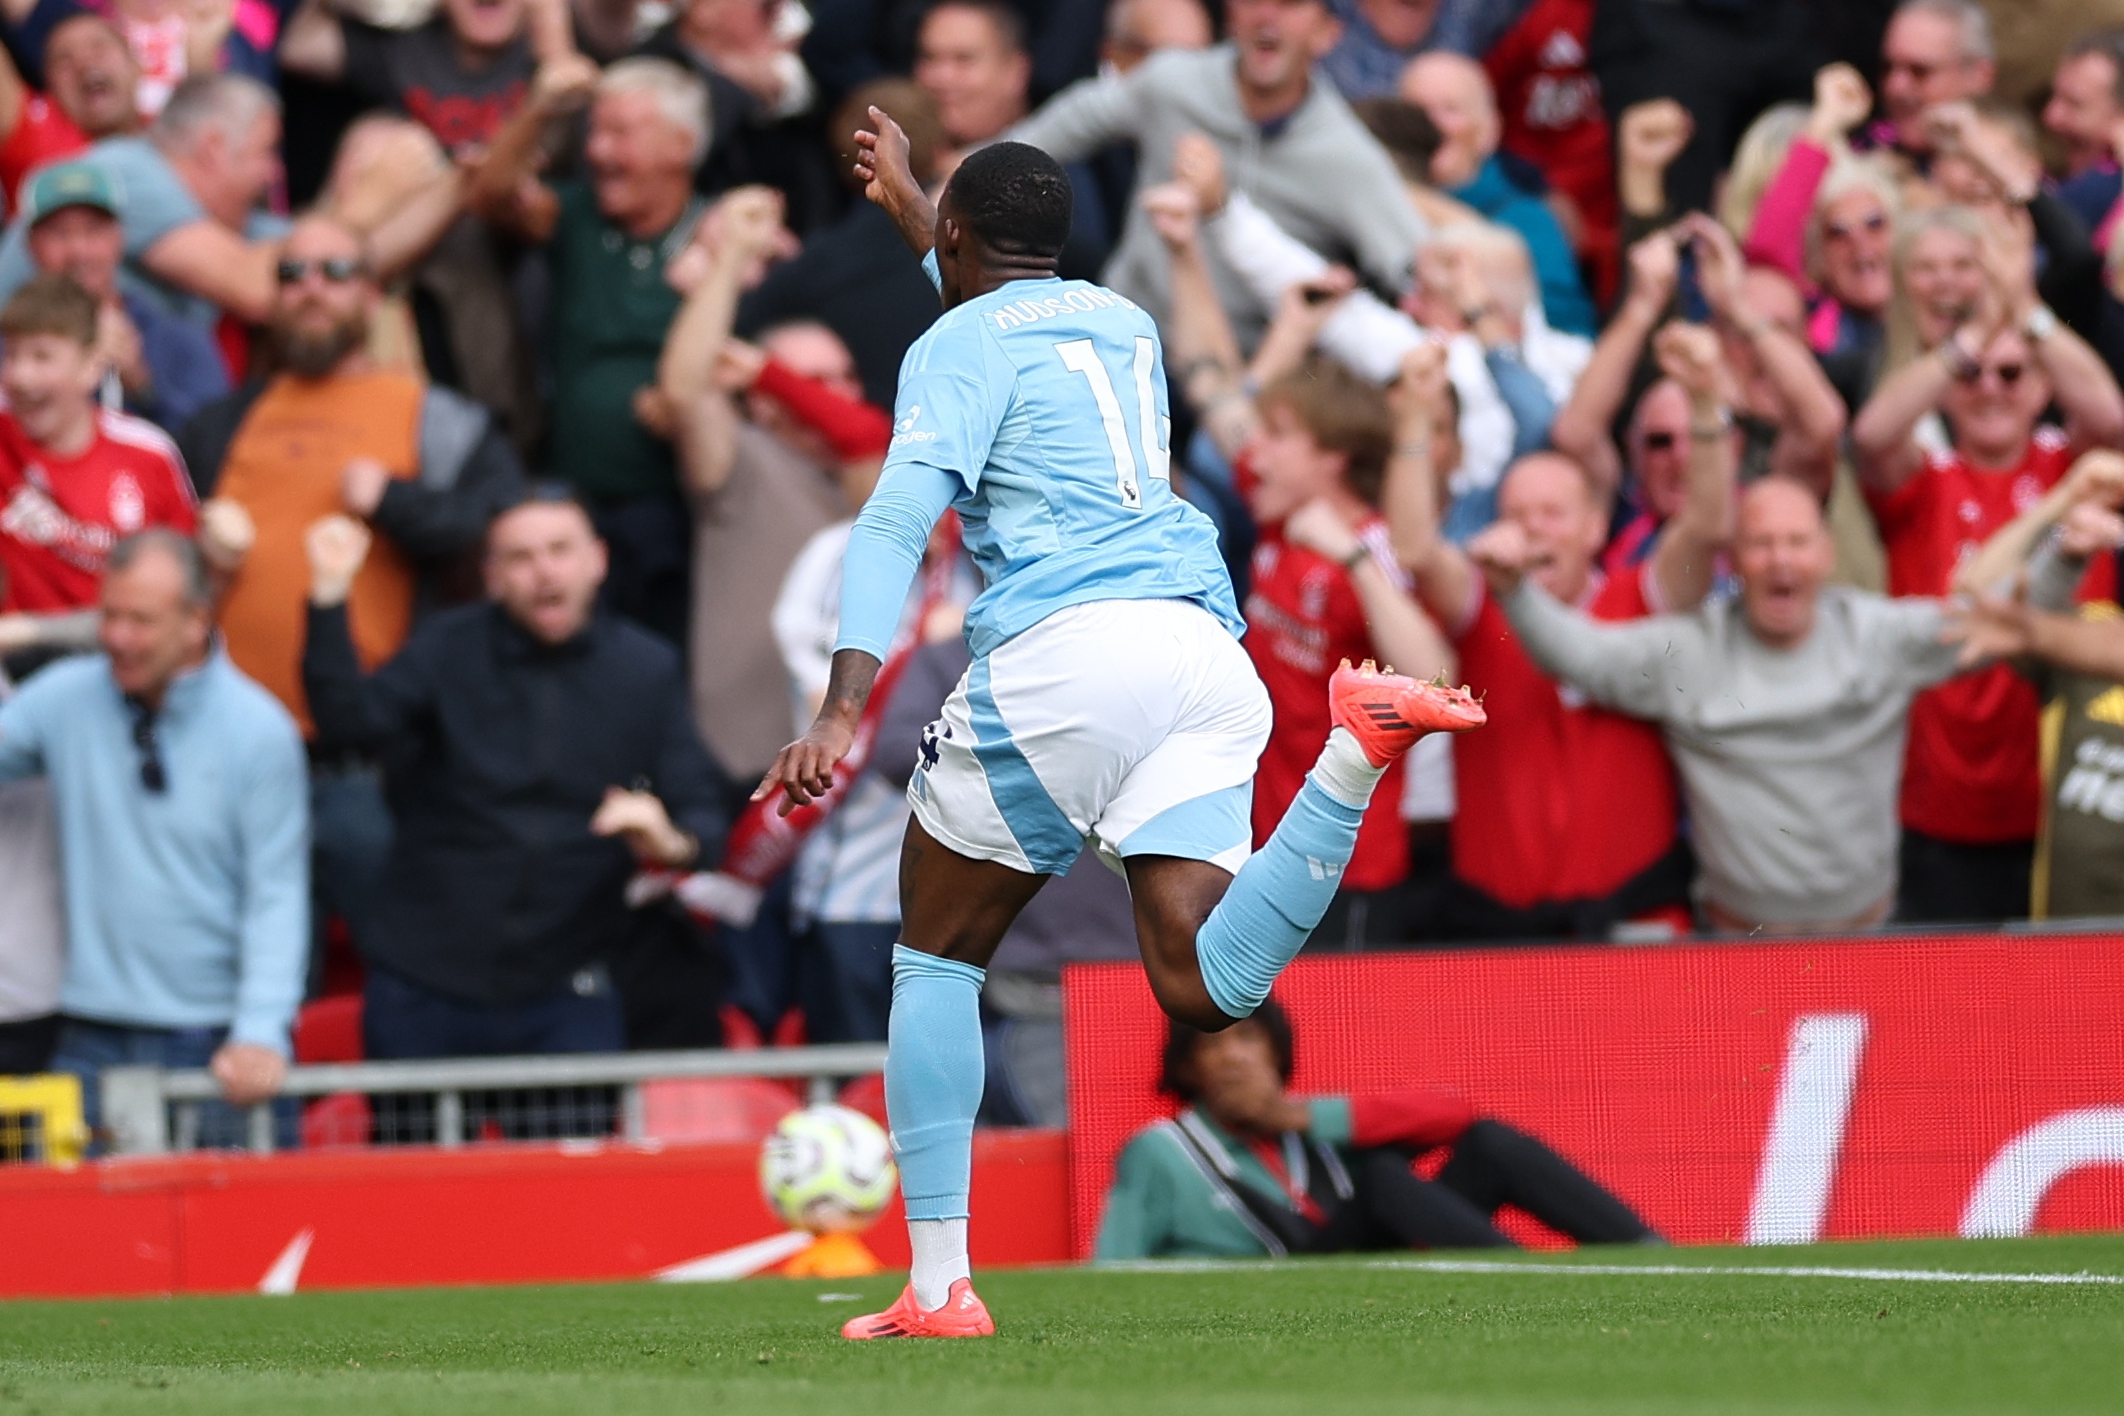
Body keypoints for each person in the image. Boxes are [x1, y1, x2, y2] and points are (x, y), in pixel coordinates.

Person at [756, 115, 1483, 1340]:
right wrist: (921, 209)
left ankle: (939, 1285)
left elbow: (891, 524)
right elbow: (994, 296)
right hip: (1203, 648)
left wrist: (841, 704)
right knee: (1203, 984)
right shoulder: (1121, 321)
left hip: (1067, 654)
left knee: (935, 953)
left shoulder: (947, 344)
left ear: (957, 240)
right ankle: (1353, 756)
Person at [179, 213, 525, 986]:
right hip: (235, 760)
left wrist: (396, 501)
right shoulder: (218, 426)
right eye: (290, 274)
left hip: (377, 767)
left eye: (335, 273)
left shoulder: (432, 416)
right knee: (244, 988)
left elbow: (506, 534)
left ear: (374, 295)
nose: (310, 291)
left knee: (408, 978)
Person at [301, 489, 731, 1064]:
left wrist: (667, 839)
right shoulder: (446, 647)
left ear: (597, 560)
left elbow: (703, 813)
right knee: (417, 1155)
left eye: (560, 550)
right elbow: (349, 725)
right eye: (521, 558)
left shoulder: (645, 668)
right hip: (426, 975)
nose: (544, 572)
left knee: (573, 1155)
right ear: (493, 576)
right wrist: (329, 597)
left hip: (570, 979)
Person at [1480, 476, 1985, 932]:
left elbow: (1986, 622)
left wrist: (2063, 555)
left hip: (1869, 934)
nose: (1780, 559)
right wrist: (1515, 592)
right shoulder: (1694, 650)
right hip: (1735, 946)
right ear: (1734, 560)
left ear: (1826, 554)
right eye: (1761, 544)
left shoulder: (1878, 634)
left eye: (1797, 542)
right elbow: (1584, 658)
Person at [1384, 326, 1735, 941]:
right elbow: (1413, 545)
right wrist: (1414, 422)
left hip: (1637, 923)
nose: (1536, 531)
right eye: (1518, 516)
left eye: (1553, 514)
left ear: (1596, 528)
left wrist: (1705, 404)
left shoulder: (1642, 597)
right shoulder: (1481, 605)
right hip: (1499, 933)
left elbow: (1706, 522)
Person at [0, 530, 307, 1143]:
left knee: (242, 1239)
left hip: (217, 1044)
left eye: (140, 621)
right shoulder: (66, 698)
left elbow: (276, 894)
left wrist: (259, 1031)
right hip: (91, 1035)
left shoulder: (259, 730)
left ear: (196, 622)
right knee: (74, 1239)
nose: (116, 637)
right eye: (109, 615)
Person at [1852, 258, 2124, 923]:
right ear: (1946, 388)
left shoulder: (2073, 466)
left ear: (2041, 390)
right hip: (1942, 800)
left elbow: (2109, 411)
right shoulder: (1926, 480)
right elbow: (1871, 434)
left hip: (2060, 790)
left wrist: (2027, 314)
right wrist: (1967, 339)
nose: (1991, 388)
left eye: (2012, 373)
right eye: (1972, 375)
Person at [1096, 996, 1660, 1258]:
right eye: (1212, 1046)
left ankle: (1651, 1253)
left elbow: (1456, 1117)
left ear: (1276, 1051)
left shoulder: (1319, 1126)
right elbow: (1113, 1268)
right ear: (1188, 1067)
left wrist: (1294, 1116)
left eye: (1248, 1037)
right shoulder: (1159, 1151)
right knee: (1384, 1180)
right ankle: (1526, 1282)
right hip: (1281, 1286)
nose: (1234, 1059)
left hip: (1362, 1258)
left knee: (1490, 1144)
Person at [469, 56, 716, 645]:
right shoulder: (579, 217)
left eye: (620, 134)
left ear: (680, 146)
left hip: (671, 516)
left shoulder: (719, 231)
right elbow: (491, 191)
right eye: (595, 134)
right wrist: (543, 108)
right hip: (574, 507)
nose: (599, 153)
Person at [1007, 0, 1427, 346]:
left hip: (1238, 376)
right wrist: (971, 168)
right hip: (1120, 331)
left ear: (1327, 33)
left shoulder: (1346, 155)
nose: (1267, 17)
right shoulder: (1174, 80)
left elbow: (1417, 269)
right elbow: (1075, 119)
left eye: (1291, 4)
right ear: (1231, 14)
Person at [0, 272, 196, 665]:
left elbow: (184, 593)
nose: (20, 376)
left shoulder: (148, 454)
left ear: (92, 367)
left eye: (42, 356)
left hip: (119, 670)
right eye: (12, 355)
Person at [734, 78, 943, 409]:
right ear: (939, 150)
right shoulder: (983, 244)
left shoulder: (818, 265)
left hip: (876, 444)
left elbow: (734, 331)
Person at [17, 160, 227, 433]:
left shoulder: (180, 339)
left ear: (119, 237)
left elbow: (215, 453)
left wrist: (141, 384)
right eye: (59, 233)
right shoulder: (8, 345)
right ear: (31, 245)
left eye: (93, 230)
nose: (79, 250)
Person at [279, 0, 576, 157]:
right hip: (413, 244)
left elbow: (575, 131)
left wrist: (554, 35)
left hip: (516, 245)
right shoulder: (407, 45)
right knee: (371, 139)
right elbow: (298, 48)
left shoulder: (544, 50)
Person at [0, 13, 147, 217]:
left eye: (99, 48)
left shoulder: (173, 129)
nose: (85, 64)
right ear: (49, 85)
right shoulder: (32, 133)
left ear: (136, 64)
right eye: (64, 59)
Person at [1874, 0, 1995, 167]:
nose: (1895, 87)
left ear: (1980, 75)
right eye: (1887, 68)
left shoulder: (2015, 162)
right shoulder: (1868, 149)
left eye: (1919, 71)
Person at [2042, 31, 2124, 235]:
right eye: (2054, 95)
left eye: (2074, 104)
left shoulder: (2102, 186)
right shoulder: (2051, 172)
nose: (2051, 117)